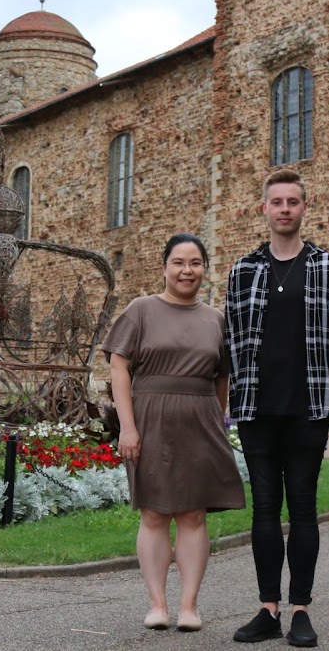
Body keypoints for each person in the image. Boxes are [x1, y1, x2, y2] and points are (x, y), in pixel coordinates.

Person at [226, 169, 329, 647]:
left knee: (301, 509)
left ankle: (300, 608)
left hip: (309, 406)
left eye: (292, 202)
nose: (284, 209)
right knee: (262, 511)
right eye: (276, 202)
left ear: (304, 207)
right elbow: (230, 340)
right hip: (256, 407)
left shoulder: (328, 268)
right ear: (264, 209)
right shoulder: (243, 270)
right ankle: (267, 609)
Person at [102, 232, 246, 633]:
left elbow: (222, 379)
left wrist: (215, 422)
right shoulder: (141, 310)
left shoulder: (217, 319)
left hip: (200, 422)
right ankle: (157, 604)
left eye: (195, 263)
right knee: (153, 513)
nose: (187, 270)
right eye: (179, 262)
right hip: (150, 419)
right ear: (164, 267)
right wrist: (127, 427)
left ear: (204, 268)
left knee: (193, 514)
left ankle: (189, 606)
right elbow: (118, 367)